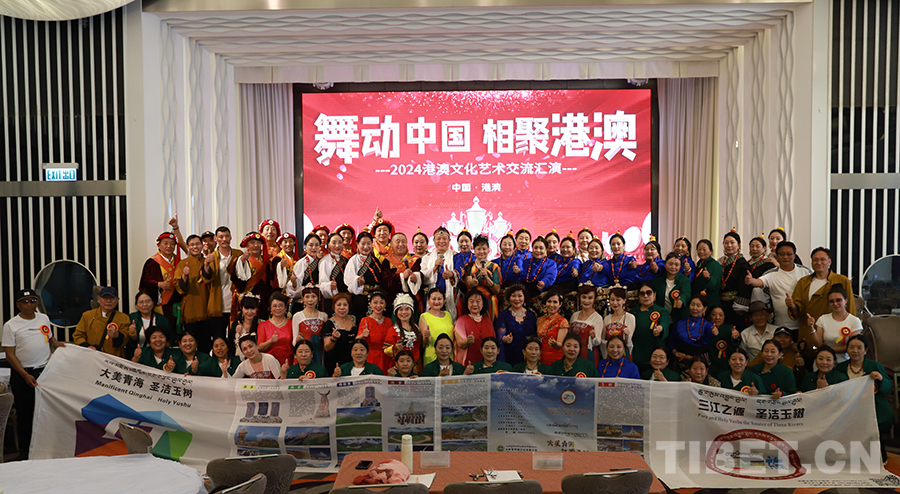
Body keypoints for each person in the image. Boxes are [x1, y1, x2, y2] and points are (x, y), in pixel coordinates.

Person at [3, 288, 65, 460]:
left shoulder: (43, 318)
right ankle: (25, 452)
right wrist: (24, 375)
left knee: (46, 411)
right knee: (24, 414)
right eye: (25, 301)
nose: (29, 304)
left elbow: (49, 338)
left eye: (33, 300)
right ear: (18, 305)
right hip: (23, 374)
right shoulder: (10, 325)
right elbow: (10, 354)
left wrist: (55, 344)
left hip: (43, 371)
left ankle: (46, 448)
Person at [789, 247, 855, 362]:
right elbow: (798, 307)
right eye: (815, 260)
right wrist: (792, 306)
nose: (819, 263)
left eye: (822, 259)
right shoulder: (803, 282)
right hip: (809, 328)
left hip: (835, 332)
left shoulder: (842, 280)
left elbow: (850, 308)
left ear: (829, 262)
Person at [837, 335, 893, 463]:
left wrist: (880, 378)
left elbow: (889, 388)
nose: (855, 351)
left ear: (865, 351)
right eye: (851, 347)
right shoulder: (840, 367)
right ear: (847, 350)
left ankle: (880, 458)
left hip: (872, 407)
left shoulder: (874, 365)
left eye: (859, 347)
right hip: (848, 408)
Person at [745, 241, 812, 336]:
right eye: (782, 254)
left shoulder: (805, 272)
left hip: (803, 324)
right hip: (780, 325)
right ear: (777, 256)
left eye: (789, 254)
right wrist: (750, 280)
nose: (785, 257)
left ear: (794, 255)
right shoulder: (772, 274)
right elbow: (759, 282)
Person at [201, 226, 242, 338]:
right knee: (219, 337)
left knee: (236, 337)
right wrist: (206, 265)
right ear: (216, 239)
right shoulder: (212, 257)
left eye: (227, 236)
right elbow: (206, 279)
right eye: (221, 237)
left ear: (231, 237)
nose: (224, 239)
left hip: (236, 302)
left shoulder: (238, 254)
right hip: (218, 303)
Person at [175, 234, 211, 352]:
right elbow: (179, 286)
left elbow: (211, 280)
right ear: (188, 247)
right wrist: (184, 276)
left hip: (207, 308)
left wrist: (207, 266)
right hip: (190, 309)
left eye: (197, 244)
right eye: (192, 244)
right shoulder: (182, 264)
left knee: (206, 344)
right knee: (190, 344)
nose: (195, 247)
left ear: (202, 245)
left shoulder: (208, 260)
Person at [139, 231, 182, 329]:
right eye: (165, 243)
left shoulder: (179, 262)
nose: (169, 246)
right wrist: (158, 285)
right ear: (158, 245)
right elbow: (144, 283)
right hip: (160, 304)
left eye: (172, 244)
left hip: (176, 304)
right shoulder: (152, 262)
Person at [808, 285, 861, 364]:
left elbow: (851, 347)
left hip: (844, 362)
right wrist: (811, 328)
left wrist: (826, 349)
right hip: (824, 362)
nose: (835, 303)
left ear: (846, 300)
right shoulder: (822, 319)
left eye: (838, 300)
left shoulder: (854, 321)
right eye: (831, 301)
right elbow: (818, 344)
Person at [73, 286, 130, 357]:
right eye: (105, 298)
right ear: (99, 299)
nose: (108, 301)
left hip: (113, 358)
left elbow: (127, 339)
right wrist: (87, 347)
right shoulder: (87, 316)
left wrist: (117, 335)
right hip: (92, 356)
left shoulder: (124, 318)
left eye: (112, 298)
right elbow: (78, 335)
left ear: (117, 300)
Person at [345, 231, 389, 321]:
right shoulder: (353, 260)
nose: (366, 247)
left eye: (369, 243)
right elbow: (348, 279)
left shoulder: (375, 260)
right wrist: (357, 281)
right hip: (359, 299)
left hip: (375, 299)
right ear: (357, 244)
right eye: (363, 244)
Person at [232, 232, 274, 320]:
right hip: (247, 300)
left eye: (258, 243)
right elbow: (235, 279)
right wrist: (242, 261)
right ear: (247, 245)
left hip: (263, 301)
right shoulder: (240, 261)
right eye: (252, 243)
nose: (256, 245)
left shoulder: (266, 262)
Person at [630, 282, 669, 373]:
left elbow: (664, 323)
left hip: (655, 356)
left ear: (654, 295)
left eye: (649, 293)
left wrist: (659, 329)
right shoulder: (632, 313)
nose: (645, 296)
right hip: (637, 354)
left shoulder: (662, 311)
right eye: (642, 293)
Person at [460, 235, 501, 320]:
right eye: (478, 249)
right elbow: (468, 284)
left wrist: (487, 278)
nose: (481, 251)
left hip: (490, 302)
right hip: (473, 302)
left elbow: (497, 290)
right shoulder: (469, 265)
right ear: (474, 250)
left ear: (488, 250)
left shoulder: (494, 267)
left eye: (484, 249)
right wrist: (473, 283)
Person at [495, 284, 537, 366]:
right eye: (513, 296)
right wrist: (505, 338)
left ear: (524, 297)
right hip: (510, 355)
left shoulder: (531, 315)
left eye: (520, 296)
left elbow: (535, 335)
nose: (517, 299)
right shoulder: (503, 315)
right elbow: (500, 335)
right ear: (509, 298)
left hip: (529, 355)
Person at [420, 227, 458, 317]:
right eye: (438, 238)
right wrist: (434, 267)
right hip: (432, 295)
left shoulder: (456, 256)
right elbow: (423, 277)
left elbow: (460, 272)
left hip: (451, 296)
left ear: (449, 240)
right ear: (434, 240)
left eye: (444, 238)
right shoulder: (427, 257)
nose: (441, 241)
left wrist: (451, 274)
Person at [669, 295, 714, 369]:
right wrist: (675, 352)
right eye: (692, 304)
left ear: (704, 309)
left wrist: (714, 332)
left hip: (700, 363)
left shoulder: (708, 325)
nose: (694, 308)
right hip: (681, 361)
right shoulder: (680, 323)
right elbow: (672, 340)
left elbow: (712, 333)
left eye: (698, 305)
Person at [453, 289, 496, 366]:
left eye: (478, 301)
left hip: (488, 362)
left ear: (483, 303)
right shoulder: (461, 320)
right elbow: (460, 344)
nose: (475, 304)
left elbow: (494, 341)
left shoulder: (488, 320)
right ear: (467, 303)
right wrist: (467, 341)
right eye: (471, 301)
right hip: (469, 362)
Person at [719, 230, 752, 327]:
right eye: (726, 243)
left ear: (739, 245)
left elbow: (745, 287)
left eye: (732, 242)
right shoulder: (721, 261)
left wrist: (740, 307)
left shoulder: (742, 263)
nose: (729, 245)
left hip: (734, 305)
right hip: (721, 303)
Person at [125, 291, 171, 360]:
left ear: (153, 303)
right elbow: (127, 343)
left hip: (158, 357)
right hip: (137, 356)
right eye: (141, 302)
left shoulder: (162, 319)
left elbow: (169, 341)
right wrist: (133, 336)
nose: (145, 304)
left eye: (148, 301)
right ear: (136, 305)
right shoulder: (130, 318)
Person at [285, 233, 324, 311]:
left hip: (317, 303)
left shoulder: (322, 262)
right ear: (305, 246)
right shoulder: (301, 263)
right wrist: (294, 283)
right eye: (311, 245)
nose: (314, 248)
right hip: (302, 303)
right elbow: (295, 287)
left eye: (316, 245)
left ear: (320, 247)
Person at [356, 291, 394, 371]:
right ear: (370, 304)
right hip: (370, 356)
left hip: (386, 356)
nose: (378, 305)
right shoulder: (365, 320)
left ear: (385, 304)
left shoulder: (389, 321)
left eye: (381, 303)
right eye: (375, 302)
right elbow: (357, 341)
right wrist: (362, 335)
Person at [291, 286, 328, 365]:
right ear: (303, 299)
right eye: (307, 297)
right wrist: (297, 340)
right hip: (304, 352)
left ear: (318, 298)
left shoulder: (324, 316)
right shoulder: (297, 316)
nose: (310, 300)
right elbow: (294, 342)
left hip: (319, 351)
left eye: (313, 296)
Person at [384, 294, 423, 366]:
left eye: (407, 309)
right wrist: (395, 348)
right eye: (401, 309)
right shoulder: (392, 330)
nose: (404, 312)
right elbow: (386, 350)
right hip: (401, 366)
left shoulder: (417, 328)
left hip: (416, 365)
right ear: (396, 312)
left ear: (411, 311)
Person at [569, 284, 604, 365]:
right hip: (573, 352)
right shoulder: (574, 315)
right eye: (584, 297)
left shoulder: (597, 318)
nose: (586, 301)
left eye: (590, 298)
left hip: (588, 353)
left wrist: (593, 336)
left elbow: (598, 342)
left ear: (594, 299)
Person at [322, 292, 358, 370]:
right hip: (336, 363)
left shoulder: (354, 319)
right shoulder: (329, 324)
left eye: (345, 305)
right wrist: (333, 339)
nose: (342, 308)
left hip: (354, 362)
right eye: (339, 305)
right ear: (333, 307)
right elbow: (327, 348)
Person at [257, 293, 294, 367]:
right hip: (269, 364)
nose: (277, 308)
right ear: (270, 308)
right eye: (274, 306)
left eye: (280, 305)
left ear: (285, 307)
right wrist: (270, 341)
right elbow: (259, 347)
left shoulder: (292, 323)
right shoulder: (263, 325)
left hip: (288, 363)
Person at [419, 288, 454, 365]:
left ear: (444, 300)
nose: (437, 302)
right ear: (428, 300)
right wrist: (426, 337)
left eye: (439, 299)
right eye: (434, 299)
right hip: (432, 356)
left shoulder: (448, 315)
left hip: (449, 355)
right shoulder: (424, 316)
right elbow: (426, 341)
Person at [597, 287, 635, 359]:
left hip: (623, 356)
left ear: (624, 300)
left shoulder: (630, 317)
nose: (615, 303)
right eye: (612, 300)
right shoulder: (607, 319)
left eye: (618, 300)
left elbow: (628, 342)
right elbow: (602, 339)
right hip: (609, 355)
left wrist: (627, 336)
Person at [652, 253, 691, 324]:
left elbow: (686, 293)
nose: (673, 267)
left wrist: (682, 300)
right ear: (665, 264)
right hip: (661, 317)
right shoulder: (658, 279)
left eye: (676, 265)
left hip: (678, 317)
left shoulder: (684, 280)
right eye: (670, 264)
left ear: (680, 266)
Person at [536, 291, 568, 366]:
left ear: (560, 304)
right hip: (540, 355)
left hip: (555, 357)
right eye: (549, 301)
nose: (551, 305)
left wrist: (555, 343)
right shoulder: (540, 320)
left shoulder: (563, 321)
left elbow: (560, 344)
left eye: (555, 302)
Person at [318, 233, 349, 310]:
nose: (337, 245)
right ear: (328, 245)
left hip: (345, 299)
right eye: (334, 243)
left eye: (340, 242)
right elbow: (322, 283)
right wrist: (329, 286)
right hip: (331, 300)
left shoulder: (346, 260)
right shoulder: (324, 261)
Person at [521, 236, 557, 303]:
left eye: (541, 248)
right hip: (525, 291)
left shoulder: (551, 263)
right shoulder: (526, 261)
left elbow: (550, 276)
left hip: (541, 291)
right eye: (536, 248)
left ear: (546, 250)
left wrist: (544, 282)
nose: (538, 250)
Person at [707, 306, 740, 378]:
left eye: (721, 315)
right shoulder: (705, 328)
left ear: (724, 317)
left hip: (726, 366)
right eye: (714, 314)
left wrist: (735, 336)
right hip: (711, 366)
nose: (717, 317)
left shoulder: (729, 329)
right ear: (709, 316)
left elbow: (736, 340)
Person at [691, 239, 722, 309]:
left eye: (704, 250)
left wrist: (709, 278)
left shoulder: (715, 265)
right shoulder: (698, 265)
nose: (701, 252)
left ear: (711, 251)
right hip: (698, 301)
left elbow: (716, 285)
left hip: (709, 301)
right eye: (699, 249)